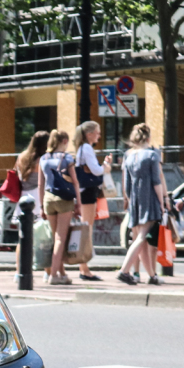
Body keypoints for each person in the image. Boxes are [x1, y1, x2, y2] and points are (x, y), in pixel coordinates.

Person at [117, 123, 168, 285]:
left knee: (141, 239)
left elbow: (126, 185)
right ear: (148, 138)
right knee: (141, 238)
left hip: (135, 201)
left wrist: (130, 201)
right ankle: (124, 271)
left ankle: (152, 276)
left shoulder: (129, 156)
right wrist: (162, 202)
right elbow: (156, 181)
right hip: (149, 199)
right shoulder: (152, 156)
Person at [71, 120, 113, 281]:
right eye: (97, 132)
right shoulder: (87, 148)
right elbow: (96, 170)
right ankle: (84, 267)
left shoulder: (82, 148)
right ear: (89, 134)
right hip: (88, 192)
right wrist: (106, 168)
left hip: (84, 191)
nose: (99, 135)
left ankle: (84, 266)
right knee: (86, 228)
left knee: (85, 227)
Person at [40, 130, 81, 285]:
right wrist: (79, 203)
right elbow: (75, 181)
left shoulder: (43, 158)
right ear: (64, 141)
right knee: (60, 238)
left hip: (48, 199)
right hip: (64, 199)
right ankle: (54, 275)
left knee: (55, 238)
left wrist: (41, 206)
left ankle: (62, 273)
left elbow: (40, 184)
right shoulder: (67, 158)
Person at [12, 131, 49, 280]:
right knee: (44, 237)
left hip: (23, 198)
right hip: (37, 198)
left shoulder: (22, 157)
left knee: (23, 237)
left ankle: (18, 271)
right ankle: (47, 271)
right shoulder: (42, 159)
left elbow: (15, 173)